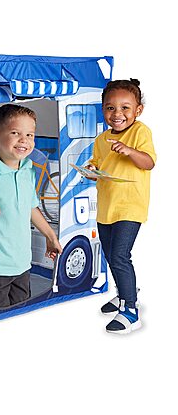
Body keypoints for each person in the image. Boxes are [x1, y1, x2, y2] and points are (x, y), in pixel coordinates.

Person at [86, 79, 156, 334]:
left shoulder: (140, 132)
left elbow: (148, 163)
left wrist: (129, 150)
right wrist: (91, 170)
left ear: (138, 110)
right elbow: (97, 163)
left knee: (119, 256)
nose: (117, 114)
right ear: (103, 110)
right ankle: (124, 292)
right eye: (110, 108)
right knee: (109, 254)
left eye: (125, 108)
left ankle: (130, 310)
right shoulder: (101, 139)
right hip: (107, 206)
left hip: (130, 206)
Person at [0, 104, 62, 309]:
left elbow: (30, 207)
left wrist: (50, 236)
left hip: (22, 264)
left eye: (29, 135)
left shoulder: (28, 169)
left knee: (20, 315)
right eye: (15, 133)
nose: (24, 140)